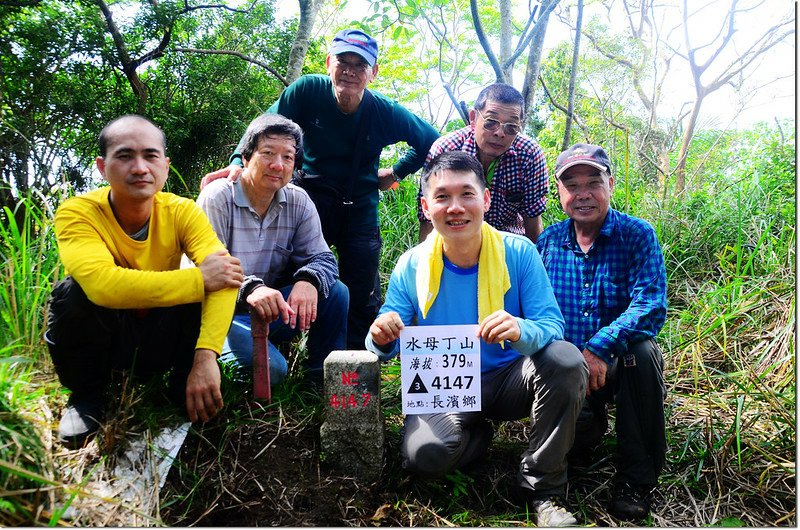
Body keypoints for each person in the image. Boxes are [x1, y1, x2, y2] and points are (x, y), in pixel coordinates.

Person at [366, 151, 588, 527]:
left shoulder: (518, 252)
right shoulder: (412, 263)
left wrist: (520, 329)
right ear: (426, 206)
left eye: (467, 194)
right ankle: (476, 436)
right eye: (442, 197)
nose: (455, 208)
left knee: (565, 359)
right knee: (426, 457)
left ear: (485, 200)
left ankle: (544, 489)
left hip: (510, 380)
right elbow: (387, 340)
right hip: (444, 388)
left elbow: (551, 325)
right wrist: (381, 336)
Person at [202, 29, 439, 350]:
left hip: (360, 208)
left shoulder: (385, 111)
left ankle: (356, 362)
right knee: (293, 273)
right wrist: (238, 163)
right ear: (329, 63)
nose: (351, 71)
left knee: (361, 289)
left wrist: (395, 172)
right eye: (343, 61)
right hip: (308, 201)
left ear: (374, 72)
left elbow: (430, 140)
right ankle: (278, 342)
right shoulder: (308, 91)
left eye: (361, 65)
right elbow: (265, 126)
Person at [45, 115, 243, 449]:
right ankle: (86, 396)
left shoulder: (182, 211)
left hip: (158, 338)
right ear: (102, 166)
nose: (140, 168)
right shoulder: (77, 212)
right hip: (106, 339)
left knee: (208, 286)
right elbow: (102, 285)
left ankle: (184, 382)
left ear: (165, 165)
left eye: (150, 156)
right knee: (71, 294)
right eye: (124, 156)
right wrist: (198, 280)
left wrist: (206, 356)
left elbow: (225, 278)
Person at [536, 143, 668, 522]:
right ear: (559, 192)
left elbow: (650, 304)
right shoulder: (549, 242)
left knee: (641, 355)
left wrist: (600, 347)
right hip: (569, 371)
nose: (583, 194)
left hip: (617, 363)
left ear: (610, 183)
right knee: (580, 441)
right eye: (571, 185)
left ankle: (635, 480)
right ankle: (580, 437)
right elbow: (538, 311)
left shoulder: (636, 235)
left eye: (593, 182)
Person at [197, 114, 348, 389]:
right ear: (245, 158)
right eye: (267, 153)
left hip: (269, 310)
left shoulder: (298, 200)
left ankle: (320, 382)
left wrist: (308, 280)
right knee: (272, 373)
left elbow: (324, 258)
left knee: (336, 292)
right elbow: (208, 269)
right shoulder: (218, 196)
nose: (278, 165)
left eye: (288, 157)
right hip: (219, 315)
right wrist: (251, 288)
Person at [417, 83, 548, 243]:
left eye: (511, 127)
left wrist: (534, 262)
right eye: (491, 122)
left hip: (508, 243)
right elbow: (428, 217)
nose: (499, 133)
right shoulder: (447, 149)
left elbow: (533, 219)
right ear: (473, 118)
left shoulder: (529, 154)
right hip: (455, 242)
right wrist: (425, 262)